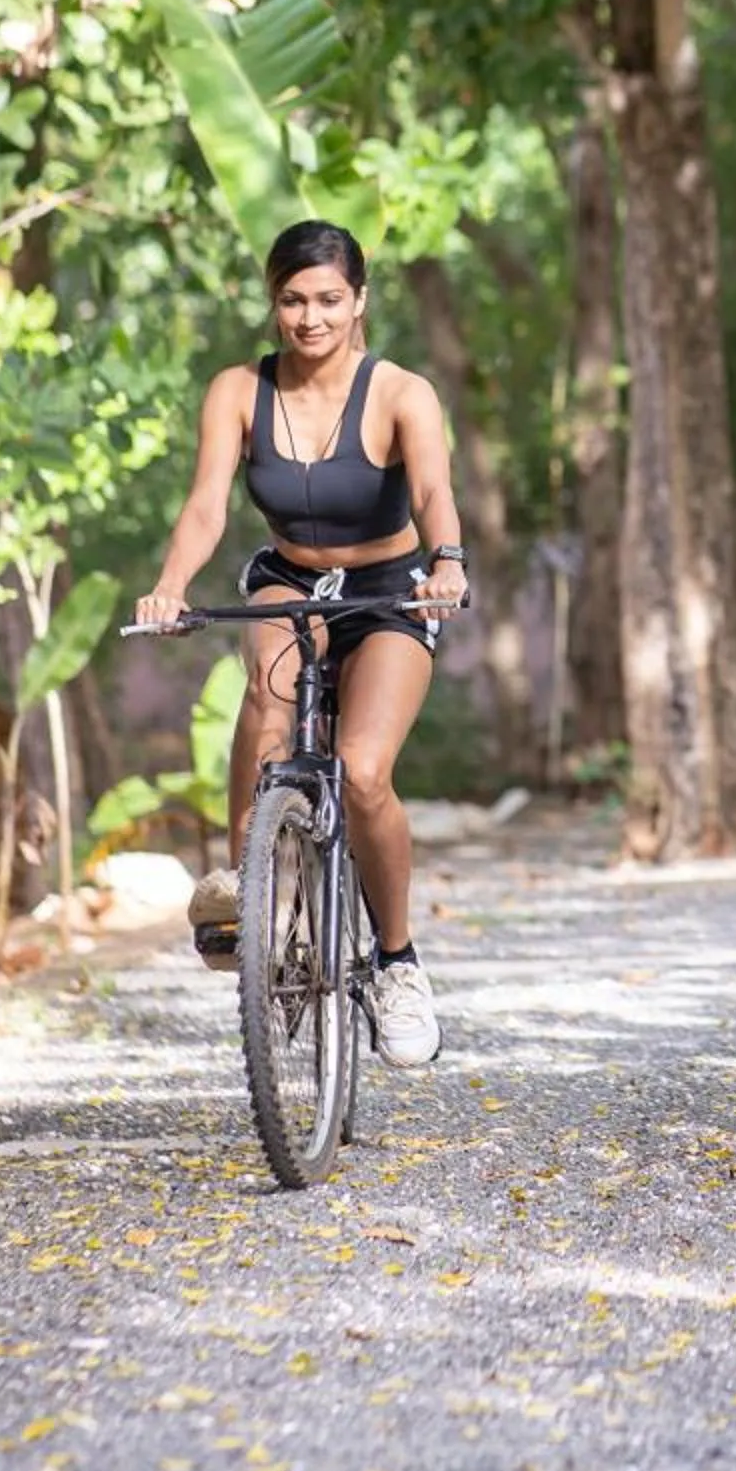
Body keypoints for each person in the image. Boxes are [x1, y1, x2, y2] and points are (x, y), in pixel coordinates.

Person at [135, 219, 468, 1069]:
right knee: (268, 687)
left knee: (361, 771)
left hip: (392, 590)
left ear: (359, 302)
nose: (309, 318)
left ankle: (396, 962)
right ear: (273, 301)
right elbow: (209, 504)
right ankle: (247, 888)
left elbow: (431, 488)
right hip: (291, 577)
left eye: (328, 299)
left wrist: (449, 563)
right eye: (292, 299)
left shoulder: (401, 393)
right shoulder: (238, 391)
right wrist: (172, 583)